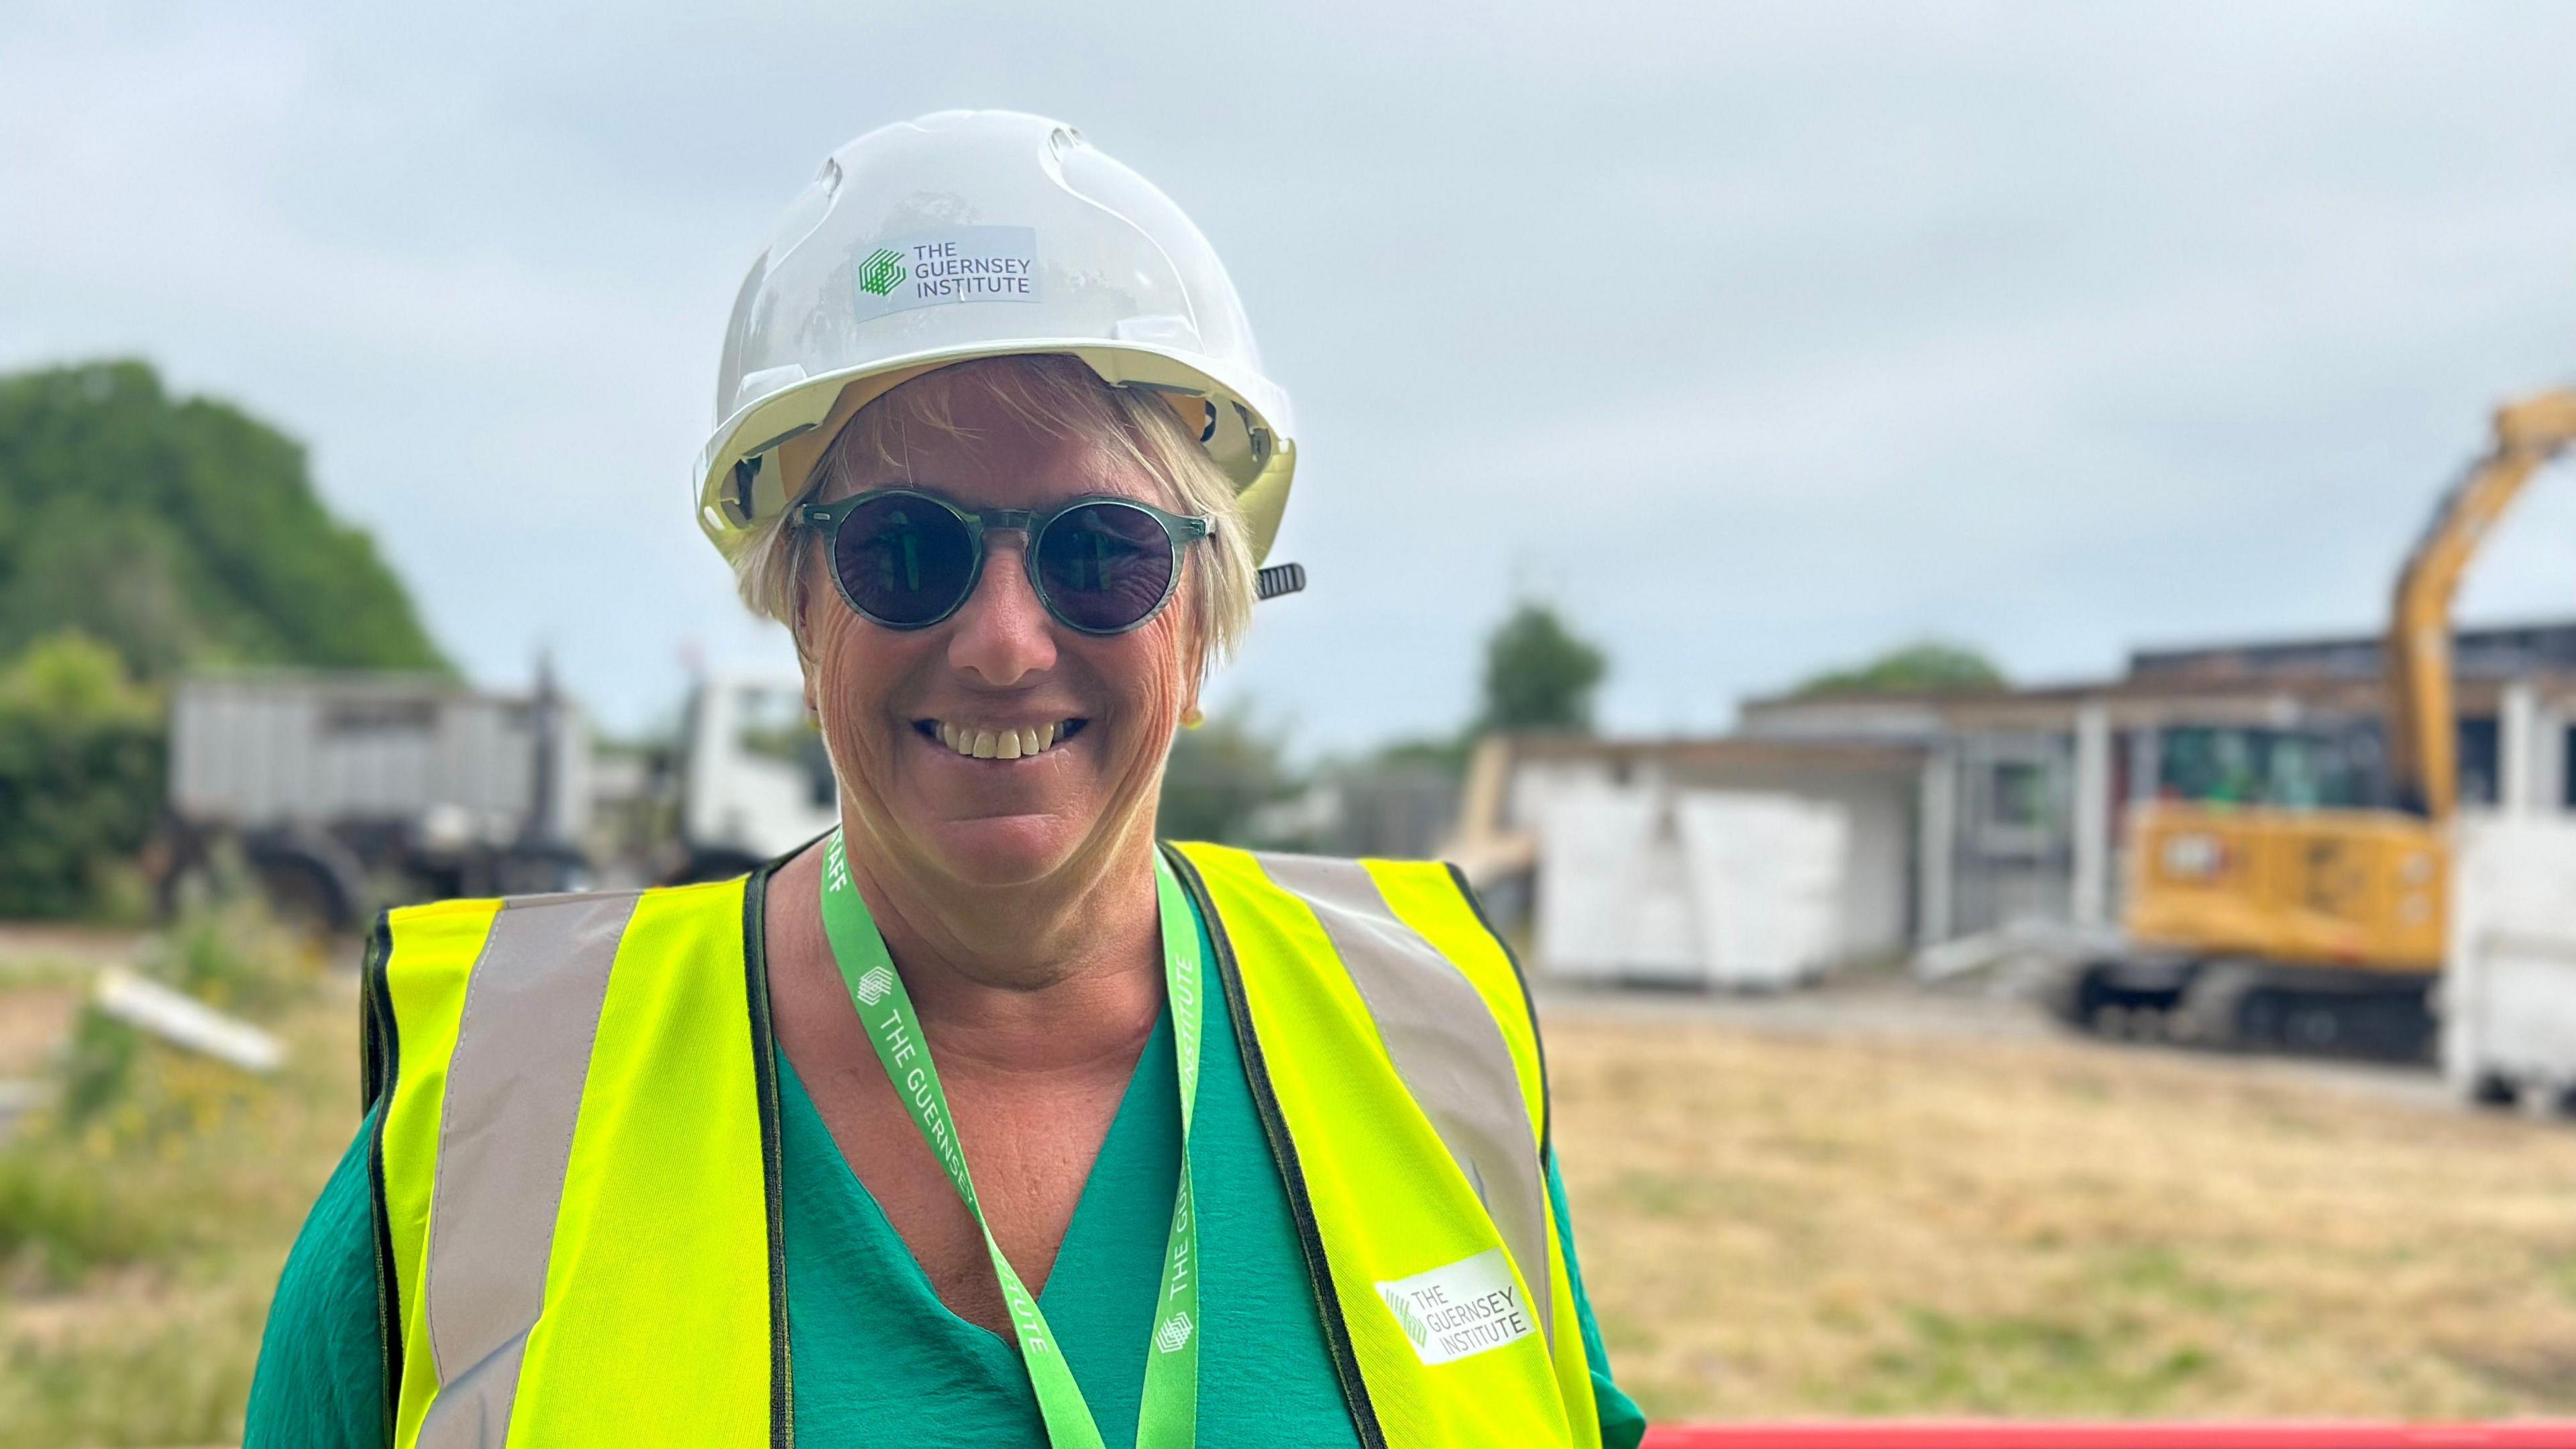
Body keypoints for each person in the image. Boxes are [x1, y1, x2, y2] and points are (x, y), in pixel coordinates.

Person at [246, 109, 1648, 1449]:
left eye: (1100, 551)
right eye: (903, 550)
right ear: (798, 606)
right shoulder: (498, 1113)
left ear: (1205, 613)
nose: (1001, 644)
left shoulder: (1426, 1032)